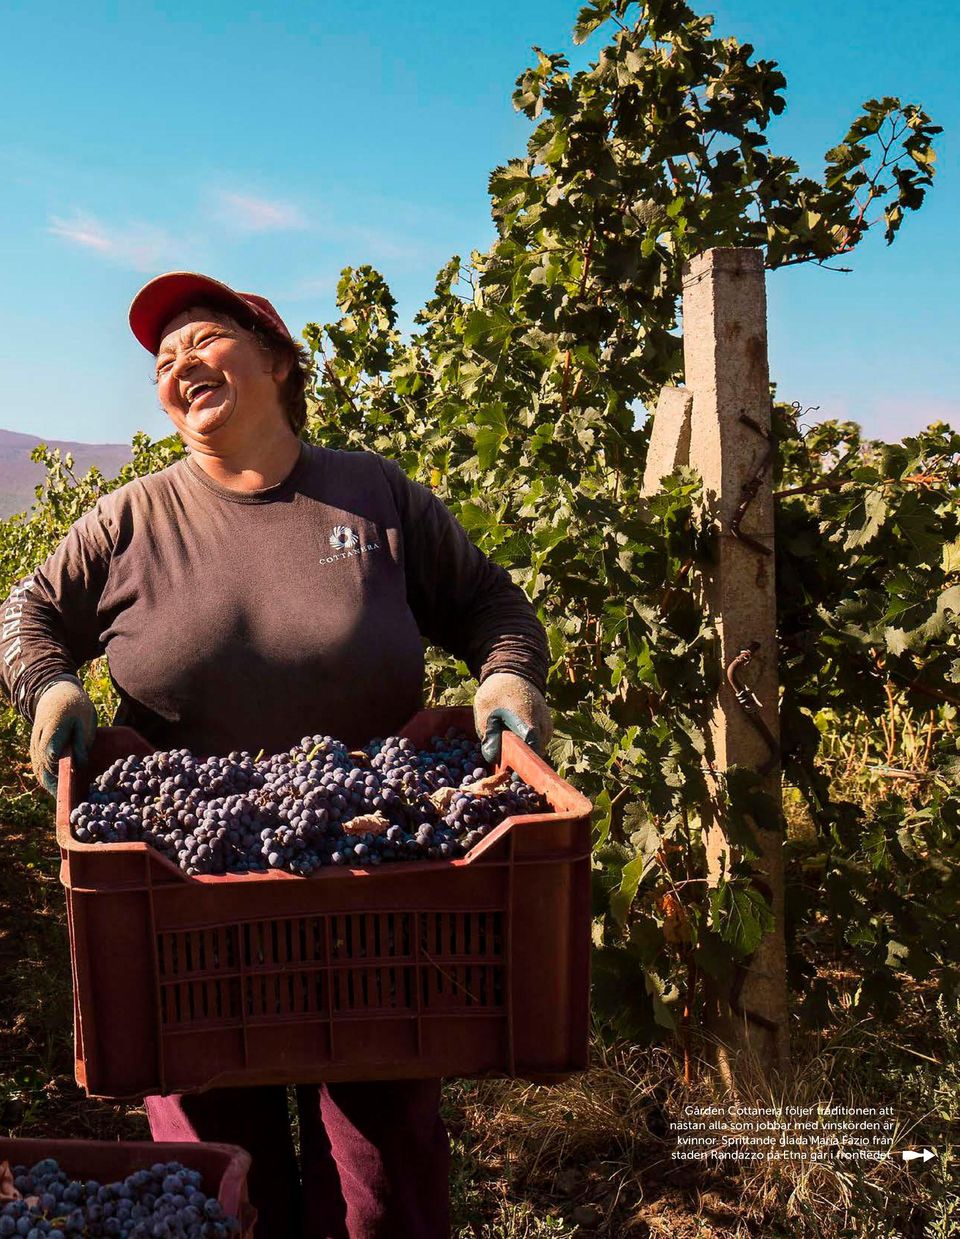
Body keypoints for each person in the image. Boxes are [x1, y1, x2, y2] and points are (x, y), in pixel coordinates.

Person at [0, 271, 553, 1238]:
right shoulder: (131, 522)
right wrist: (50, 687)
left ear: (277, 362)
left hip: (375, 894)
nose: (178, 367)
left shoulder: (373, 496)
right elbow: (28, 613)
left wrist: (507, 679)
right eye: (162, 361)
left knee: (383, 1183)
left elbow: (493, 606)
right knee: (225, 1182)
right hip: (185, 913)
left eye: (203, 340)